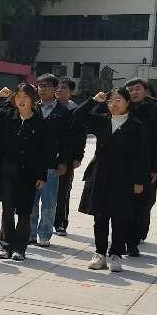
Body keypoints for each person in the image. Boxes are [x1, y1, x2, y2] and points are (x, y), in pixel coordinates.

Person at [72, 89, 149, 272]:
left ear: (128, 102)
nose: (113, 104)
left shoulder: (136, 125)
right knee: (100, 216)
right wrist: (93, 100)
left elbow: (142, 155)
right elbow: (76, 117)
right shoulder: (102, 120)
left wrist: (139, 181)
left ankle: (116, 254)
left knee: (120, 217)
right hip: (101, 174)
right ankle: (100, 253)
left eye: (118, 100)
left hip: (124, 176)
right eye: (110, 101)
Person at [0, 84, 47, 261]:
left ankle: (20, 249)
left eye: (25, 97)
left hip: (29, 173)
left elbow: (44, 151)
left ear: (33, 99)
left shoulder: (39, 122)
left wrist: (42, 175)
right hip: (7, 171)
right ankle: (6, 246)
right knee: (7, 209)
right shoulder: (7, 116)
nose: (21, 100)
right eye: (18, 97)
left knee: (24, 210)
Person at [124, 78, 157, 256]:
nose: (134, 93)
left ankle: (135, 240)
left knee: (142, 205)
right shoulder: (123, 107)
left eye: (137, 89)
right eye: (130, 90)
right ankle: (124, 238)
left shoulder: (155, 110)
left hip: (146, 167)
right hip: (123, 165)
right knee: (122, 204)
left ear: (145, 90)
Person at [28, 73, 72, 247]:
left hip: (51, 164)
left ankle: (45, 235)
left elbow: (67, 140)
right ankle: (30, 233)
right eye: (40, 86)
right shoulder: (31, 108)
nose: (43, 89)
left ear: (55, 89)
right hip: (31, 163)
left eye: (47, 86)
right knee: (31, 201)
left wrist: (64, 161)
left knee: (48, 202)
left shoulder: (63, 112)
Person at [54, 77, 85, 236]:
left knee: (63, 192)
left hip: (67, 158)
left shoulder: (76, 111)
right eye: (58, 87)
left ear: (71, 91)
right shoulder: (46, 106)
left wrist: (78, 156)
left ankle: (60, 223)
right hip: (47, 156)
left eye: (64, 87)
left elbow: (81, 135)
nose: (59, 90)